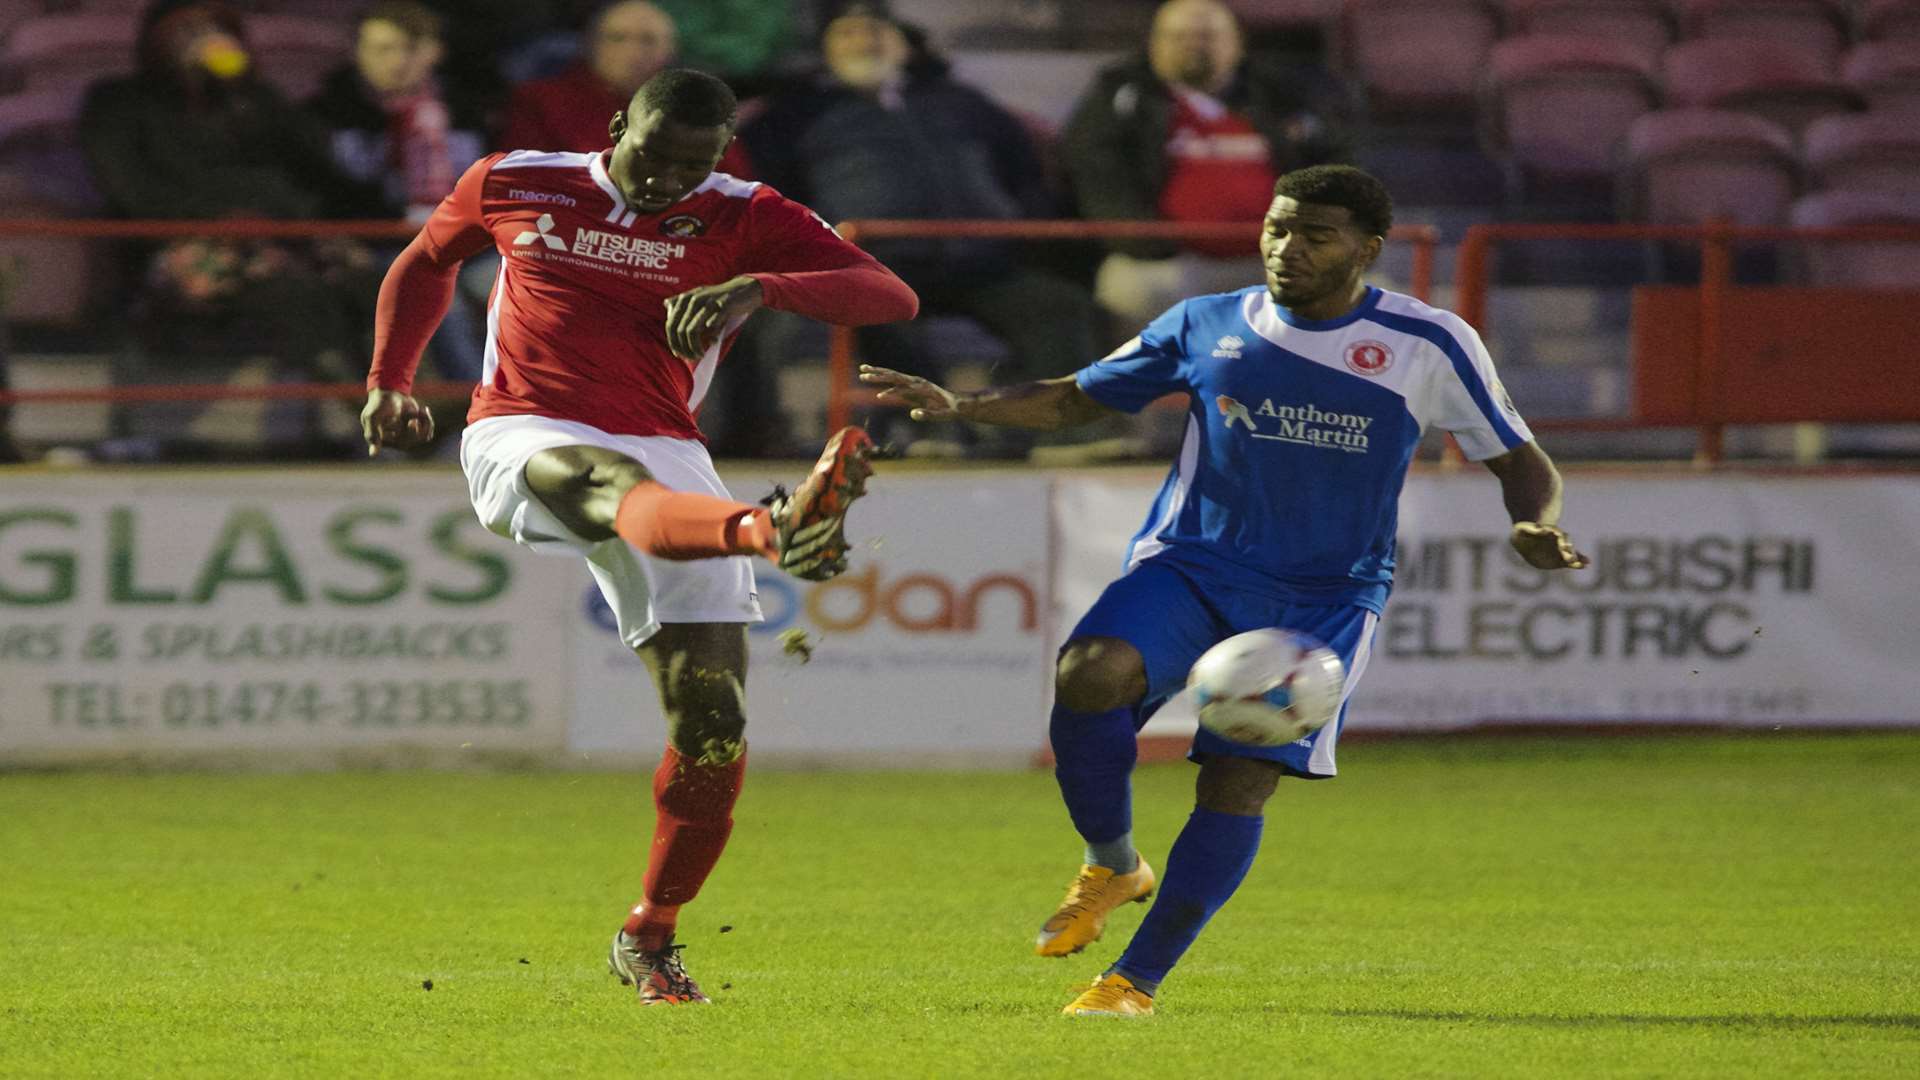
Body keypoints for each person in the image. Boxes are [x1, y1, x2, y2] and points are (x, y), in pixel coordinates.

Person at [862, 164, 1590, 1017]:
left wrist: (1534, 521)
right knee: (1089, 671)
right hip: (1194, 563)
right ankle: (1113, 861)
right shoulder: (1208, 322)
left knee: (1237, 781)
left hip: (1322, 599)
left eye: (1315, 235)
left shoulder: (1428, 342)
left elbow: (1518, 456)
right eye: (1278, 228)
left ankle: (1132, 981)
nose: (1288, 248)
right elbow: (1076, 401)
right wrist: (962, 404)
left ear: (1367, 249)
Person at [361, 69, 918, 1004]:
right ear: (619, 126)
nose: (668, 181)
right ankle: (769, 527)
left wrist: (762, 287)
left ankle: (650, 934)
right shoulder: (516, 178)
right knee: (599, 482)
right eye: (654, 155)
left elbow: (887, 296)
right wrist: (389, 376)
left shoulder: (744, 211)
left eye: (692, 165)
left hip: (669, 451)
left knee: (712, 722)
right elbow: (426, 260)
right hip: (524, 428)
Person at [740, 0, 1102, 456]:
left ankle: (1066, 434)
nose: (863, 42)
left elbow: (1023, 172)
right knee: (876, 310)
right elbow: (770, 193)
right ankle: (920, 430)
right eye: (847, 34)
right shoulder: (793, 114)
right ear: (825, 49)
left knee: (1059, 307)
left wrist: (1022, 229)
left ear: (904, 46)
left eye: (876, 32)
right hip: (874, 262)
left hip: (983, 260)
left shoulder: (963, 103)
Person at [1065, 0, 1351, 330]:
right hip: (1170, 262)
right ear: (1154, 44)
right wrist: (1150, 244)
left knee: (1369, 291)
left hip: (1282, 256)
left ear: (1237, 43)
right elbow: (1098, 174)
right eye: (1178, 36)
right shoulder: (1121, 96)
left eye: (1207, 35)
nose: (1193, 45)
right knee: (1131, 290)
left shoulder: (1284, 95)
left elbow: (1339, 166)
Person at [308, 1, 491, 386]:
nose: (396, 61)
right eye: (381, 49)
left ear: (431, 51)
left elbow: (485, 186)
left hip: (465, 244)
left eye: (407, 48)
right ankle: (477, 408)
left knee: (523, 282)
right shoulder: (328, 111)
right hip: (376, 244)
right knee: (440, 294)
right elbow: (326, 193)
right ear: (357, 52)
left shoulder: (464, 107)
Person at [498, 1, 752, 178]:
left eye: (648, 40)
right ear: (591, 45)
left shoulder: (700, 109)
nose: (633, 52)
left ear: (670, 52)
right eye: (618, 38)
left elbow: (734, 189)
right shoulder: (541, 100)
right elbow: (523, 177)